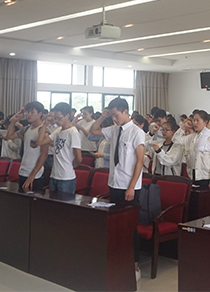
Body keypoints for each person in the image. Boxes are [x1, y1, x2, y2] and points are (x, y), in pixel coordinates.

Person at [89, 97, 145, 281]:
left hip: (129, 188)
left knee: (130, 229)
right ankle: (118, 263)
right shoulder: (114, 130)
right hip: (114, 184)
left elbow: (140, 161)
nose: (114, 118)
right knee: (115, 227)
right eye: (111, 115)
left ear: (125, 111)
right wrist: (102, 116)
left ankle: (134, 267)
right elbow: (93, 130)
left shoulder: (136, 132)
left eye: (116, 115)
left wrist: (131, 187)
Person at [36, 102, 82, 193]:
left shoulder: (73, 132)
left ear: (67, 116)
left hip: (66, 177)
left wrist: (70, 166)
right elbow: (40, 142)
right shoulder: (58, 131)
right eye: (55, 118)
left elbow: (79, 158)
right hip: (54, 175)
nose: (56, 121)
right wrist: (45, 124)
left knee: (64, 202)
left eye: (59, 118)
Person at [6, 101, 49, 192]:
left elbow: (44, 154)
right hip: (23, 170)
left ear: (40, 114)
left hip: (35, 174)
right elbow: (9, 137)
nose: (29, 114)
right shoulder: (26, 129)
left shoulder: (43, 130)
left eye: (32, 112)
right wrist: (13, 121)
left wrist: (33, 174)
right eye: (27, 112)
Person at [181, 110, 210, 189]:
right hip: (192, 176)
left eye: (197, 120)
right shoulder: (191, 137)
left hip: (206, 177)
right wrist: (184, 127)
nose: (195, 123)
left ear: (206, 122)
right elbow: (175, 140)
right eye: (194, 120)